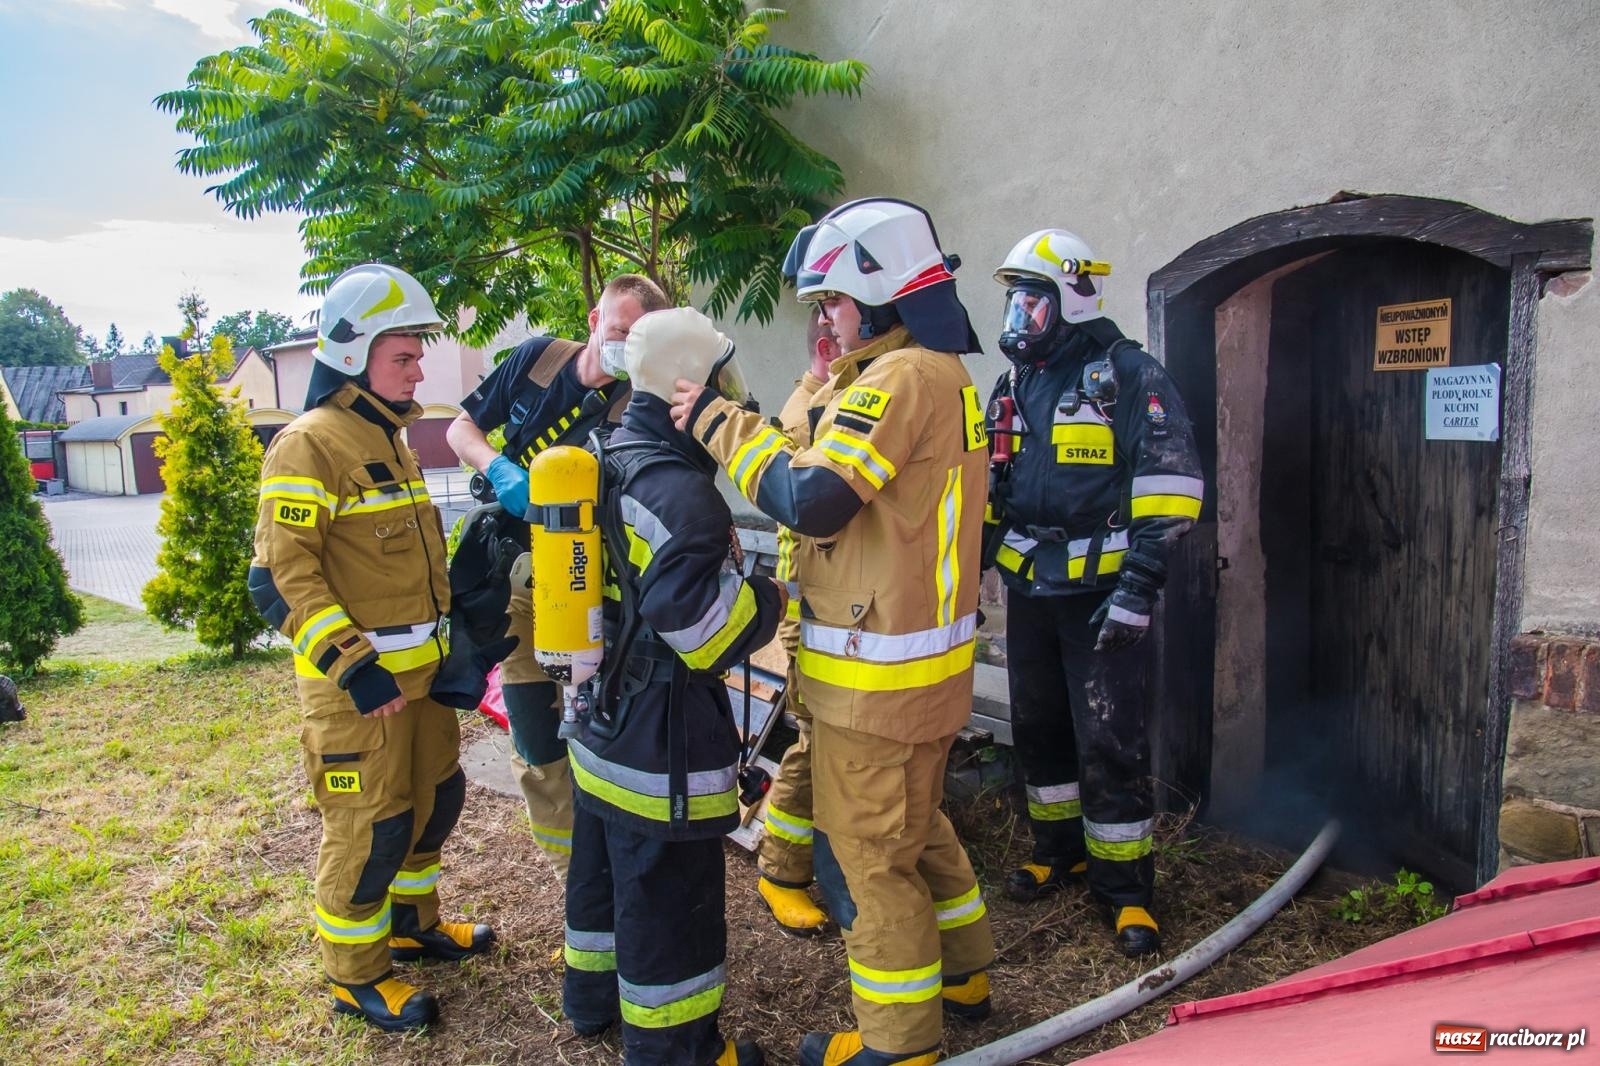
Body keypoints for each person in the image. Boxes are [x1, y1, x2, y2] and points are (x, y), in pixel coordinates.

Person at [671, 198, 996, 1066]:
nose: (825, 318)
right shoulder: (925, 375)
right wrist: (816, 378)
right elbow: (800, 445)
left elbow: (808, 495)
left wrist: (710, 418)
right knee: (918, 830)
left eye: (833, 302)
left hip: (875, 685)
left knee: (866, 864)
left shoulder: (900, 382)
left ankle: (899, 1043)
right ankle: (964, 975)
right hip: (917, 676)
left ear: (878, 289)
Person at [248, 263, 501, 1031]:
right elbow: (279, 578)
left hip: (420, 677)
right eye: (405, 355)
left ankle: (412, 926)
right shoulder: (309, 445)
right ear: (353, 355)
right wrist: (356, 670)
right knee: (370, 828)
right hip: (363, 689)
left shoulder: (384, 437)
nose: (419, 368)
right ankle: (355, 975)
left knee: (433, 800)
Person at [561, 307, 784, 1066]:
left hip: (602, 725)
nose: (737, 395)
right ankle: (679, 1053)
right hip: (662, 748)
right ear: (691, 386)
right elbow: (709, 635)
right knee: (671, 908)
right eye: (724, 376)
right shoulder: (684, 499)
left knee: (601, 876)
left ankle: (589, 1004)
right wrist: (772, 594)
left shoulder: (607, 451)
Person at [982, 229, 1205, 957]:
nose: (1019, 317)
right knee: (1039, 728)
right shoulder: (1009, 387)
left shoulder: (1127, 374)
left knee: (1108, 738)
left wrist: (1140, 587)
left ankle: (1126, 892)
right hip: (1030, 589)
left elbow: (1170, 483)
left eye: (1033, 301)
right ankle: (1058, 851)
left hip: (1104, 593)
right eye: (1014, 301)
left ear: (1071, 299)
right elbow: (992, 487)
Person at [445, 274, 670, 879]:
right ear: (596, 320)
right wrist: (498, 468)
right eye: (620, 330)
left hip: (589, 586)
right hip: (518, 580)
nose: (626, 346)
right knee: (535, 729)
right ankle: (571, 873)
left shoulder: (637, 404)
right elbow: (459, 428)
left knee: (596, 724)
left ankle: (605, 861)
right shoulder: (537, 361)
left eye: (639, 338)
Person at [753, 308, 838, 937]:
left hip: (831, 609)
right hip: (809, 609)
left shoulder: (829, 400)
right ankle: (780, 872)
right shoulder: (805, 412)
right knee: (814, 743)